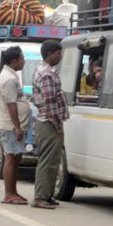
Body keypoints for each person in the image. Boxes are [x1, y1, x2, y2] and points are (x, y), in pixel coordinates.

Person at [31, 40, 69, 209]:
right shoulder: (46, 74)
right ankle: (40, 196)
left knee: (54, 160)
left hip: (48, 121)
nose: (59, 56)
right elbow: (50, 101)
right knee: (47, 160)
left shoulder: (44, 70)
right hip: (49, 122)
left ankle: (47, 194)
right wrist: (57, 124)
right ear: (49, 54)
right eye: (57, 53)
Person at [0, 46, 30, 205]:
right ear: (15, 61)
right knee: (11, 157)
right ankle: (9, 194)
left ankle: (13, 192)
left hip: (14, 125)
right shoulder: (9, 79)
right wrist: (17, 127)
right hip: (11, 126)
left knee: (16, 158)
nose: (24, 61)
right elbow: (11, 105)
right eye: (22, 58)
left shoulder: (11, 75)